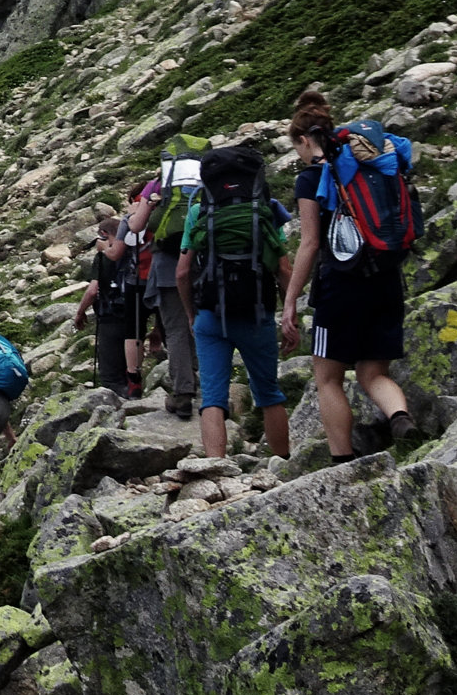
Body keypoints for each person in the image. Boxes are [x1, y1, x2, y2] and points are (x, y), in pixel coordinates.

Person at [280, 89, 415, 460]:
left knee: (328, 378)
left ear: (305, 139)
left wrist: (290, 301)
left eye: (297, 147)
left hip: (339, 289)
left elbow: (308, 245)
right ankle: (399, 416)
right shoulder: (371, 166)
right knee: (374, 373)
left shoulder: (311, 180)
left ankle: (342, 459)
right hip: (386, 278)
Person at [176, 145, 293, 461]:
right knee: (269, 393)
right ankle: (282, 468)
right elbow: (283, 269)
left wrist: (191, 313)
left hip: (210, 315)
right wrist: (288, 311)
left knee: (212, 397)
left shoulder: (199, 213)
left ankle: (215, 468)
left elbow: (182, 272)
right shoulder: (265, 210)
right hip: (257, 313)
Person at [141, 176, 200, 419]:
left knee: (176, 330)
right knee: (202, 324)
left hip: (168, 271)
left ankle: (183, 394)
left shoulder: (157, 185)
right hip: (204, 266)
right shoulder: (207, 181)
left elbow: (138, 226)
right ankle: (211, 389)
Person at [71, 217, 145, 396]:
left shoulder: (103, 257)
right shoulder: (134, 252)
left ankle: (117, 408)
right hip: (135, 313)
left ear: (104, 235)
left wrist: (80, 313)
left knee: (110, 376)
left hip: (109, 316)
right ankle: (134, 391)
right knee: (129, 365)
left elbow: (92, 290)